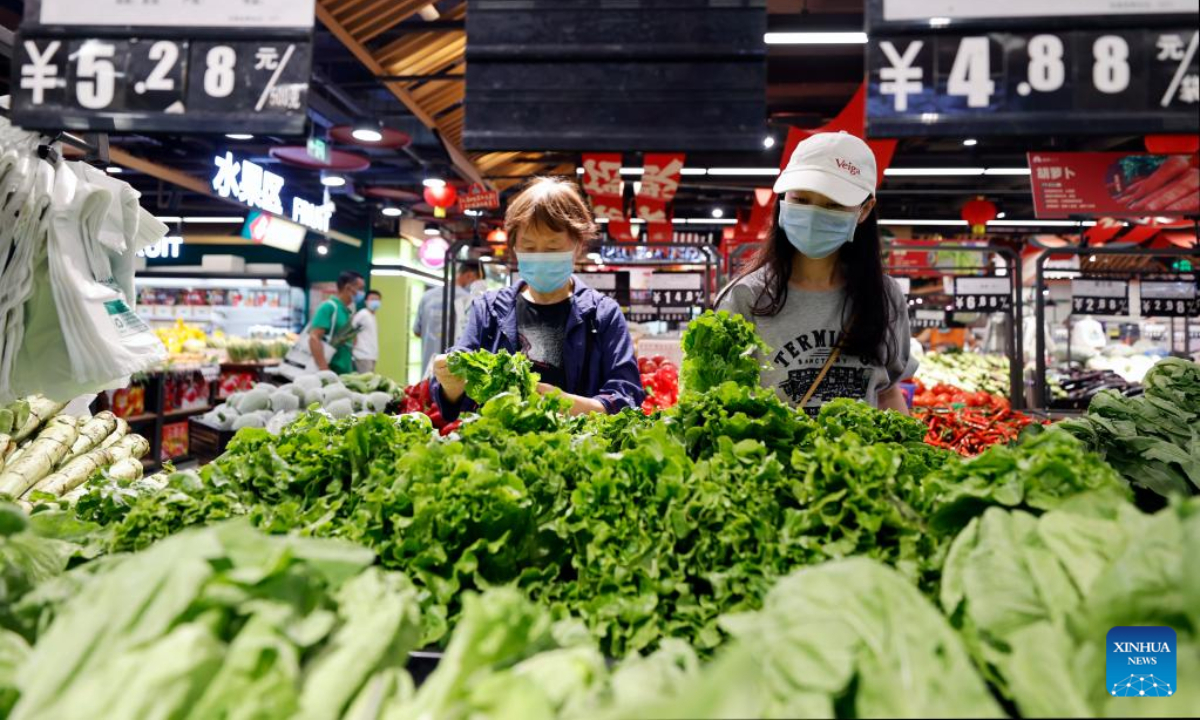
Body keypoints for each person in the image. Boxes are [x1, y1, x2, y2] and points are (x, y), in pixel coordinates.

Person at [717, 131, 917, 416]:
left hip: (865, 458)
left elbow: (887, 392)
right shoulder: (745, 297)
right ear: (783, 200)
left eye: (833, 205)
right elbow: (721, 402)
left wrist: (907, 451)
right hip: (772, 459)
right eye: (800, 199)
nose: (813, 215)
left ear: (864, 209)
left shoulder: (884, 296)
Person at [431, 177, 644, 418]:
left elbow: (628, 397)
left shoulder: (603, 314)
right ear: (514, 248)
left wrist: (565, 404)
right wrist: (451, 384)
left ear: (577, 245)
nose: (540, 256)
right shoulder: (488, 310)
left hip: (582, 450)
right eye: (529, 248)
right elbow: (453, 405)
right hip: (502, 450)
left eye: (553, 248)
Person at [414, 261, 482, 376]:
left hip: (428, 368)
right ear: (469, 275)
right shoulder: (469, 300)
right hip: (455, 370)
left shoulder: (427, 296)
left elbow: (417, 331)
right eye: (477, 281)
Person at [310, 270, 364, 375]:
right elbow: (314, 338)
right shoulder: (328, 307)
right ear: (348, 288)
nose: (362, 293)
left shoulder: (346, 311)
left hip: (344, 373)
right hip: (330, 374)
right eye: (360, 289)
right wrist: (324, 370)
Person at [353, 290, 382, 374]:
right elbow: (351, 331)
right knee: (366, 383)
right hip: (362, 355)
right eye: (372, 299)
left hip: (371, 355)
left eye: (377, 300)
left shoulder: (372, 316)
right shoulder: (362, 314)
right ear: (366, 301)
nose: (375, 302)